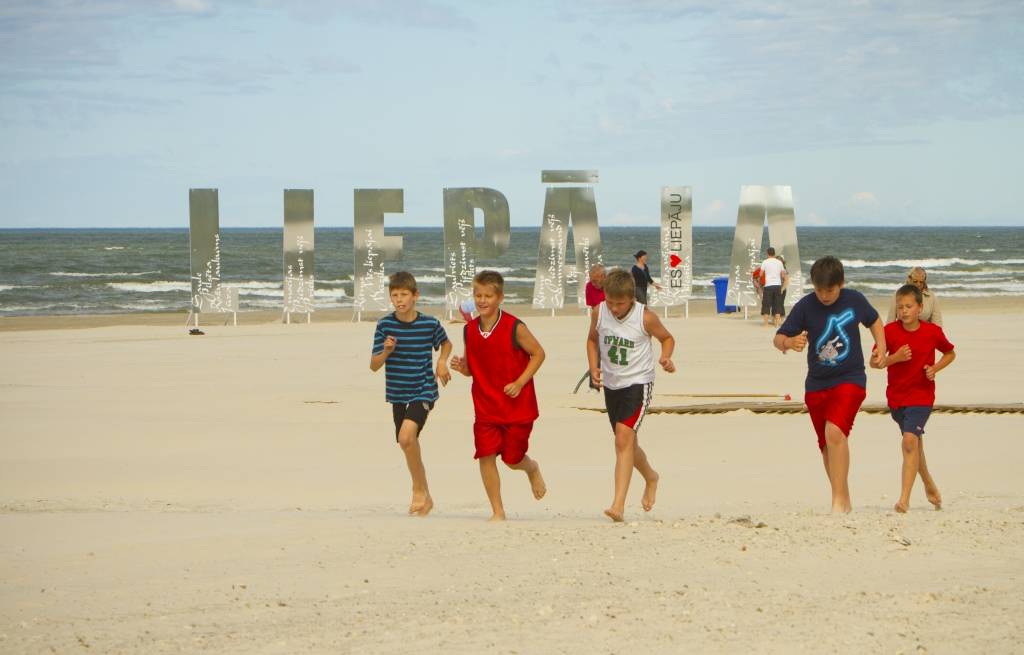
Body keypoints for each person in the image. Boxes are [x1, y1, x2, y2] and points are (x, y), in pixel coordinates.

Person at [773, 256, 886, 514]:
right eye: (819, 290)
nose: (824, 296)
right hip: (816, 384)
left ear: (841, 284)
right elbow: (778, 338)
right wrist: (789, 344)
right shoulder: (805, 306)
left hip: (851, 378)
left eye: (830, 290)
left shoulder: (854, 299)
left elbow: (875, 321)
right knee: (827, 444)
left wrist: (882, 346)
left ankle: (837, 502)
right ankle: (843, 499)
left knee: (835, 432)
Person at [449, 270, 547, 521]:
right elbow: (474, 368)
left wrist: (520, 381)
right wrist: (463, 368)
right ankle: (498, 511)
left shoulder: (515, 327)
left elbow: (538, 354)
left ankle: (531, 468)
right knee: (485, 454)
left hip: (517, 406)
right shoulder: (469, 330)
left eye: (488, 296)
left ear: (500, 297)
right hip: (485, 405)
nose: (482, 300)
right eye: (478, 295)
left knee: (512, 459)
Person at [586, 269, 676, 522]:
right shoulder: (598, 312)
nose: (614, 308)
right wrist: (594, 366)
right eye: (610, 302)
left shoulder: (645, 317)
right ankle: (650, 476)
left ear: (632, 299)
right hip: (612, 385)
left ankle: (618, 505)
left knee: (623, 439)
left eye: (620, 303)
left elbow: (667, 338)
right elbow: (592, 340)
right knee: (627, 443)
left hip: (638, 383)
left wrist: (666, 357)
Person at [369, 272, 452, 516]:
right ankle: (426, 495)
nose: (399, 299)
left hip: (423, 389)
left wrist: (442, 362)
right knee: (407, 443)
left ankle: (417, 490)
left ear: (415, 296)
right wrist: (386, 351)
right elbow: (374, 365)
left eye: (404, 294)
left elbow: (446, 343)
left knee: (406, 437)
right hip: (397, 394)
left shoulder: (429, 324)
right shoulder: (385, 326)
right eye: (394, 295)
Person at [871, 283, 955, 513]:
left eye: (909, 306)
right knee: (914, 443)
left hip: (922, 396)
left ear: (920, 307)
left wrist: (935, 368)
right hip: (897, 398)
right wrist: (894, 358)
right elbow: (875, 362)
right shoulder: (889, 332)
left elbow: (950, 353)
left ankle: (904, 500)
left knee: (909, 441)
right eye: (900, 307)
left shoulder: (932, 332)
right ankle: (928, 481)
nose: (904, 311)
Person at [759, 247, 788, 326]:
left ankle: (766, 324)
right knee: (777, 304)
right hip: (777, 285)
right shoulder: (779, 262)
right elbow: (782, 274)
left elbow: (760, 274)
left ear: (767, 253)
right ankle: (777, 324)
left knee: (766, 304)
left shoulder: (765, 262)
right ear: (774, 253)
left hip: (768, 285)